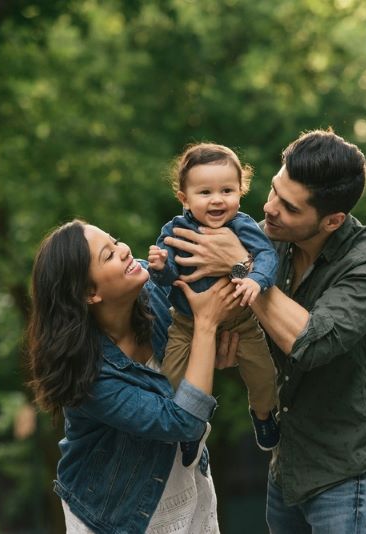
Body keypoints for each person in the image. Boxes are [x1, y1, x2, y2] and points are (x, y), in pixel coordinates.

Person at [162, 129, 366, 533]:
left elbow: (308, 343)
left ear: (333, 220)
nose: (270, 208)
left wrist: (240, 265)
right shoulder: (267, 239)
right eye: (274, 190)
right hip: (286, 463)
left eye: (289, 207)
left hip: (349, 470)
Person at [26, 219, 241, 533]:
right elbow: (182, 422)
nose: (125, 251)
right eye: (109, 256)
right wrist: (207, 326)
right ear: (89, 293)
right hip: (114, 515)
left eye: (115, 241)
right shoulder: (91, 377)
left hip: (184, 486)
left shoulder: (152, 285)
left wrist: (208, 350)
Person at [148, 142, 280, 461]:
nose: (217, 200)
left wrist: (253, 279)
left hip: (240, 322)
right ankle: (189, 428)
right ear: (185, 199)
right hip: (188, 324)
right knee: (172, 380)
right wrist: (161, 267)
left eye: (227, 190)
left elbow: (266, 257)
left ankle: (263, 415)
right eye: (205, 193)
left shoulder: (243, 226)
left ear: (240, 192)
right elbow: (170, 279)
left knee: (265, 376)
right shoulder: (175, 230)